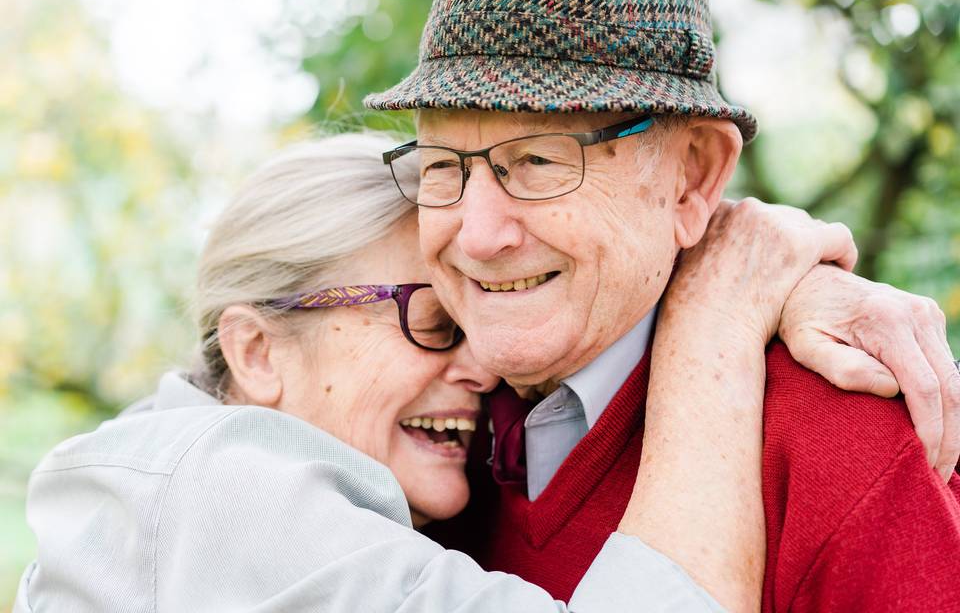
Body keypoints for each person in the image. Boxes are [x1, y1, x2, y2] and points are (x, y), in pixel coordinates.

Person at [15, 132, 855, 612]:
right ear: (257, 352)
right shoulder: (223, 492)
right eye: (432, 319)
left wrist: (796, 288)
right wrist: (718, 314)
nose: (484, 363)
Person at [364, 0, 960, 611]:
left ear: (692, 177)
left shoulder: (839, 450)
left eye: (540, 160)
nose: (478, 236)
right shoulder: (425, 441)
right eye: (440, 166)